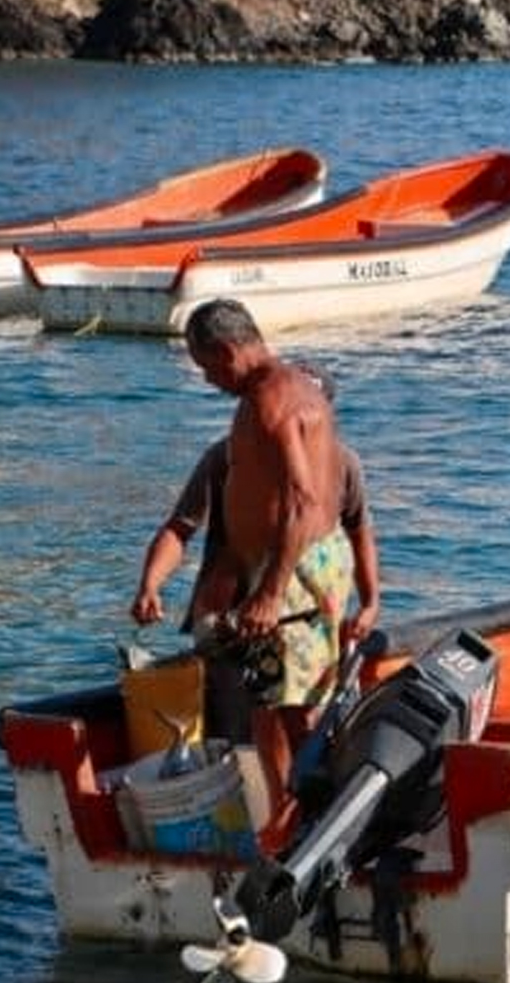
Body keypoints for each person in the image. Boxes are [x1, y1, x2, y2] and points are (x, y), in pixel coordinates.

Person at [181, 298, 354, 723]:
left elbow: (302, 499)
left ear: (227, 351)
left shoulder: (269, 402)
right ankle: (290, 786)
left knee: (276, 715)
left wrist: (271, 593)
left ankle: (286, 792)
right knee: (290, 703)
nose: (210, 380)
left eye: (208, 368)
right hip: (311, 557)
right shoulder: (296, 386)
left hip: (292, 567)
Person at [129, 362, 381, 647]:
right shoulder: (223, 457)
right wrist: (150, 585)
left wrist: (370, 604)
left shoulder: (343, 463)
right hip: (227, 606)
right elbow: (180, 528)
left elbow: (359, 532)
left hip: (306, 611)